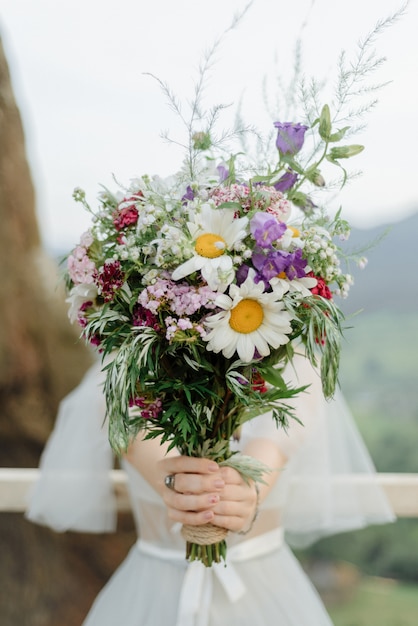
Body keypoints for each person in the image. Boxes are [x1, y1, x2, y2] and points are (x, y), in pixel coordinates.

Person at [26, 353, 394, 625]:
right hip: (154, 595)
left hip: (266, 597)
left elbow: (273, 445)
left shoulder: (296, 369)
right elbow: (139, 439)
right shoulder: (125, 369)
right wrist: (180, 486)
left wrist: (247, 491)